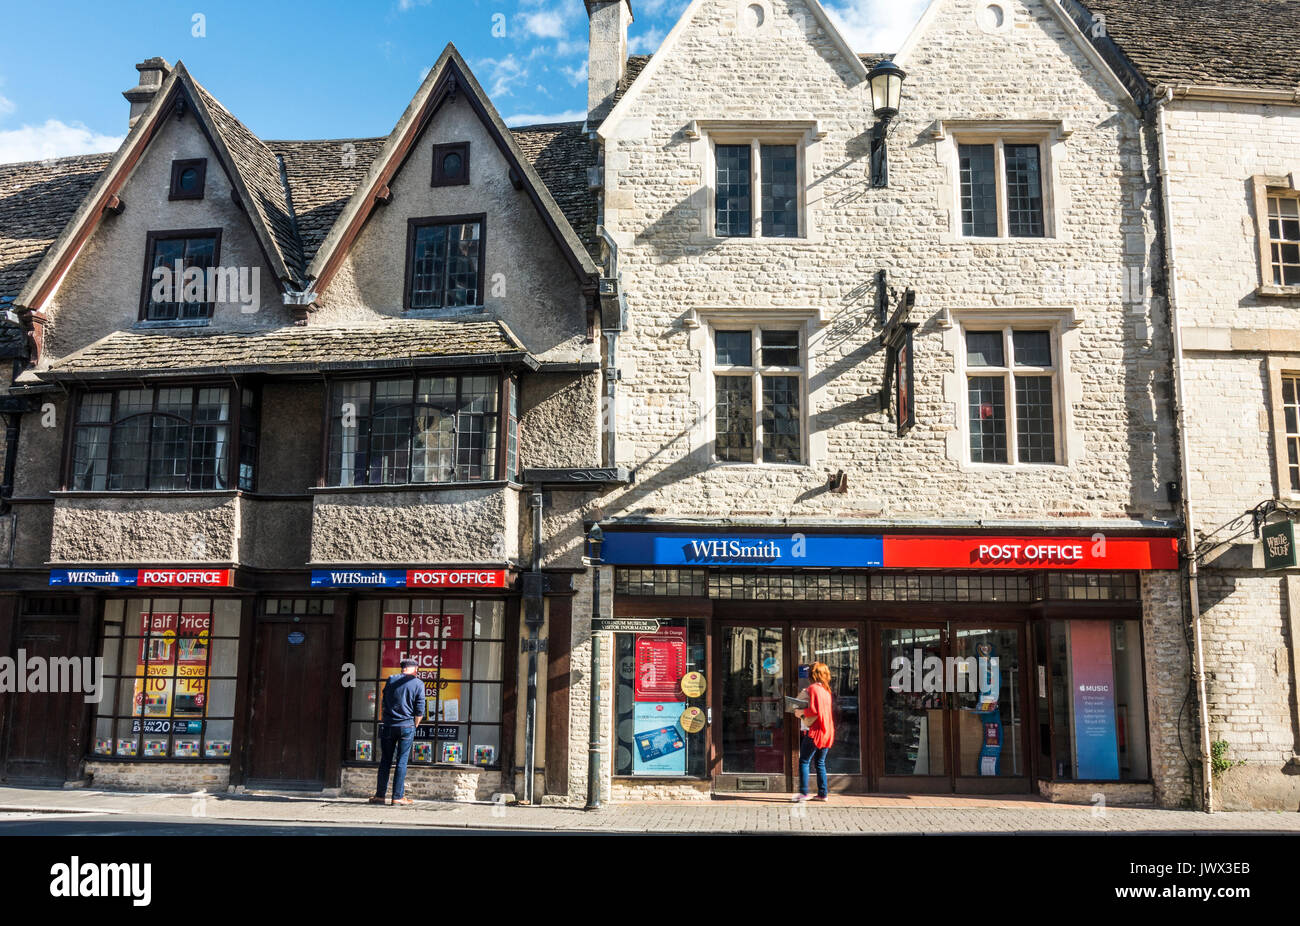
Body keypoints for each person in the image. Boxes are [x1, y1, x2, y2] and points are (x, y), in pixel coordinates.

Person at [370, 658, 425, 806]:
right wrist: (415, 725)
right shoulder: (418, 683)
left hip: (388, 725)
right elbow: (420, 709)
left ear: (402, 668)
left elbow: (384, 701)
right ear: (414, 669)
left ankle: (380, 796)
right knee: (401, 761)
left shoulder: (391, 679)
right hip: (406, 726)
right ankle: (397, 797)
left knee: (385, 761)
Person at [794, 662, 835, 802]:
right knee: (820, 762)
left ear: (812, 674)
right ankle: (823, 794)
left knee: (804, 761)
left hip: (816, 731)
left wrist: (800, 712)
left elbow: (813, 711)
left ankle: (803, 793)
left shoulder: (812, 689)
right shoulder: (826, 690)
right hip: (827, 731)